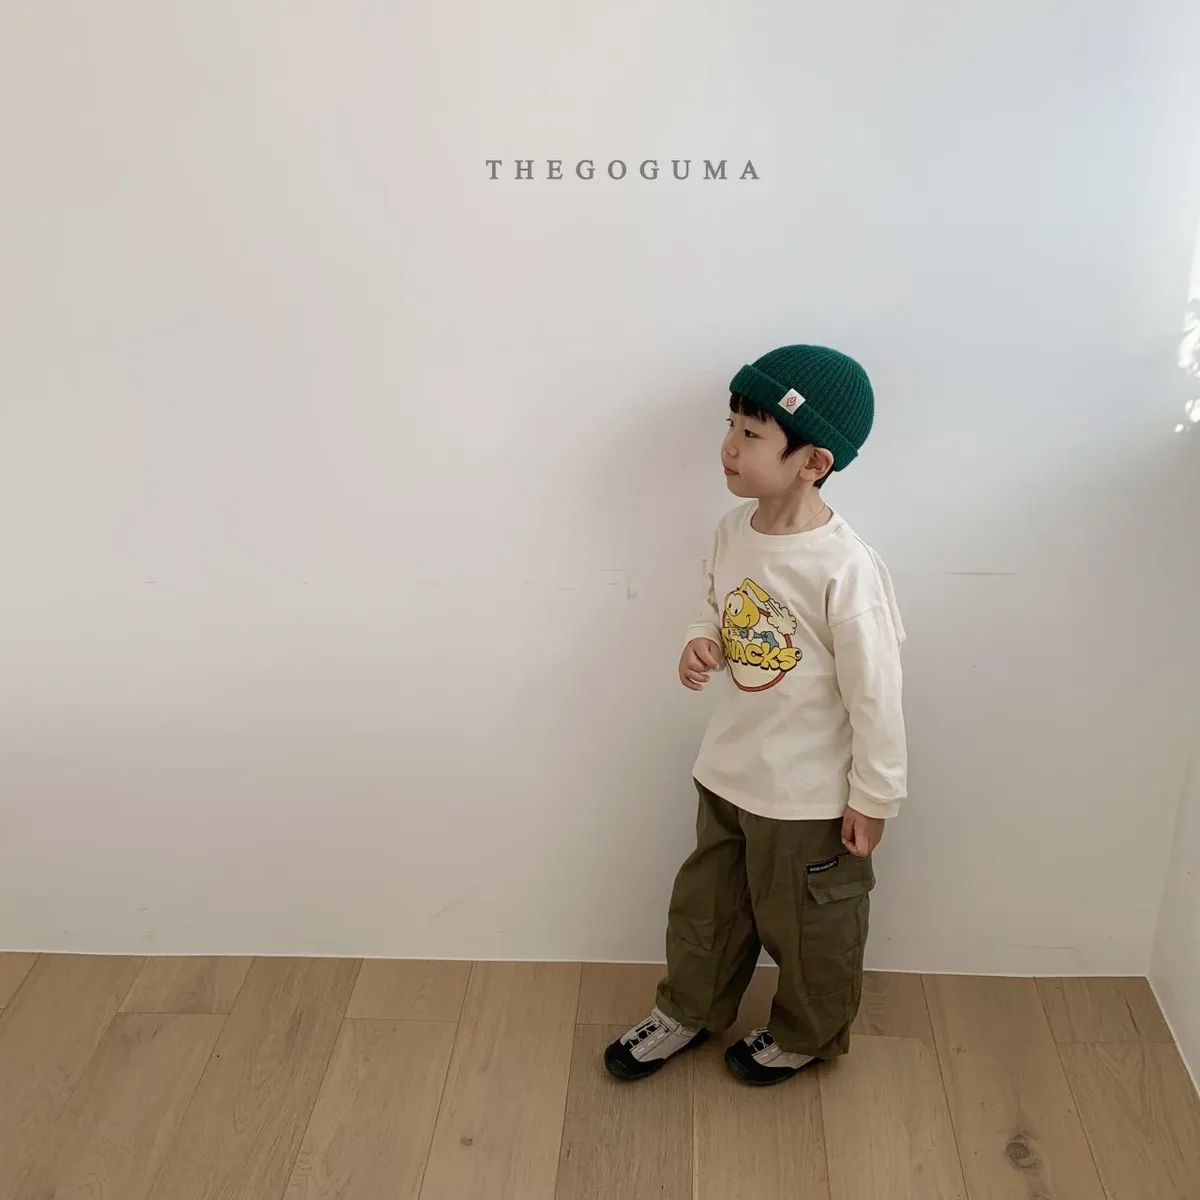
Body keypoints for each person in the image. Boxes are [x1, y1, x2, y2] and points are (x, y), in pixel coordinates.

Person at [604, 344, 907, 1086]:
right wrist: (699, 638)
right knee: (706, 910)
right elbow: (714, 600)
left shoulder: (845, 567)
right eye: (731, 424)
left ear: (813, 462)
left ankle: (806, 1033)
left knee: (811, 928)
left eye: (752, 433)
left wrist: (874, 795)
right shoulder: (733, 530)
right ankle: (689, 1010)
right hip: (728, 772)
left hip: (806, 796)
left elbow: (876, 692)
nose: (729, 446)